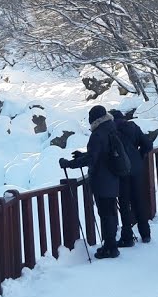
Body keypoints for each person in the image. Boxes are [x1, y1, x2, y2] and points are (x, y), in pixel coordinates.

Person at [60, 105, 125, 258]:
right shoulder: (111, 128)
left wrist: (69, 164)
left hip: (102, 179)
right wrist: (83, 154)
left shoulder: (97, 134)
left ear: (94, 119)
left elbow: (93, 158)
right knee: (110, 212)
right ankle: (111, 245)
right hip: (113, 176)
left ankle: (110, 247)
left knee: (105, 213)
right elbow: (101, 153)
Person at [110, 109, 153, 243]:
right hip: (136, 169)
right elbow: (148, 144)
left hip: (122, 170)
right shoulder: (133, 127)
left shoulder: (111, 131)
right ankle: (145, 234)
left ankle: (127, 235)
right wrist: (139, 155)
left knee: (124, 203)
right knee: (138, 200)